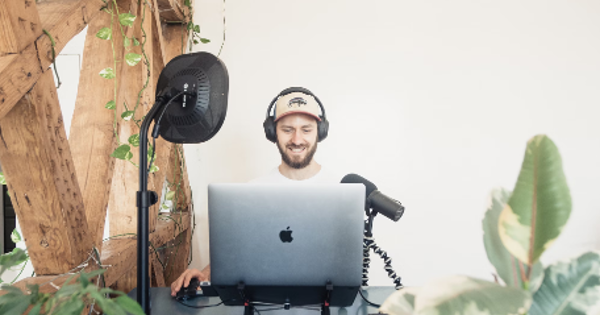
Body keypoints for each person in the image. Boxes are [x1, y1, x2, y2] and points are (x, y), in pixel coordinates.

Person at [170, 87, 335, 296]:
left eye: (306, 129)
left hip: (325, 302)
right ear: (272, 133)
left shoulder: (340, 189)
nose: (297, 139)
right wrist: (203, 275)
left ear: (320, 132)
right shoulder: (253, 192)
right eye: (287, 129)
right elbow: (235, 253)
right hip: (264, 304)